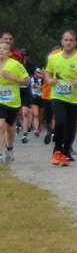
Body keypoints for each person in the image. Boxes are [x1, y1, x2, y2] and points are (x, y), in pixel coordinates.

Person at [44, 30, 77, 166]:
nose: (68, 42)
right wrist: (49, 80)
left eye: (71, 40)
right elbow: (46, 71)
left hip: (74, 98)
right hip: (57, 96)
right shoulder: (54, 57)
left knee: (71, 126)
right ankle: (58, 150)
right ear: (62, 41)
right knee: (60, 121)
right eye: (66, 40)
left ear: (76, 42)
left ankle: (66, 153)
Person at [0, 33, 26, 163]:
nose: (1, 51)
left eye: (5, 49)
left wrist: (10, 77)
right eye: (0, 48)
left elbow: (26, 81)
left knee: (10, 128)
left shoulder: (15, 65)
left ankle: (9, 149)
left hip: (12, 101)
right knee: (0, 125)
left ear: (10, 53)